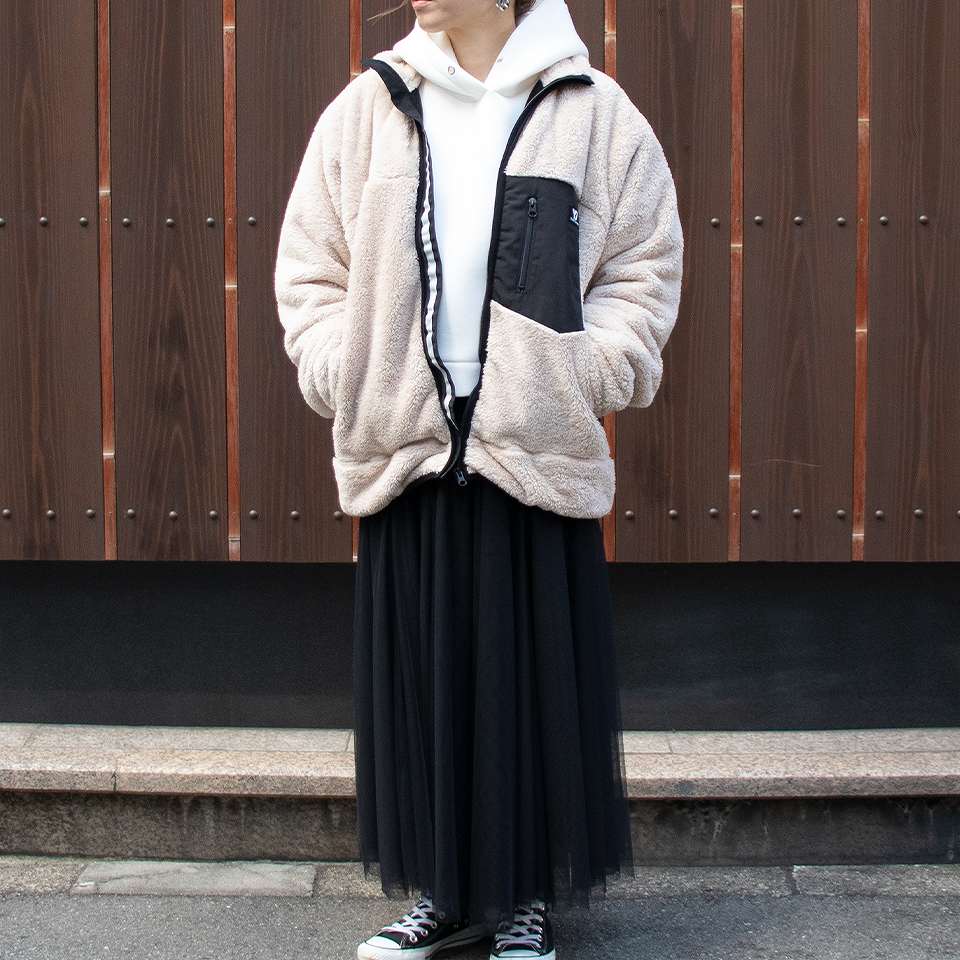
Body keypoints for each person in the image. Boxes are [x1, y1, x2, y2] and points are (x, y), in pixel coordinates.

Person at [274, 0, 684, 956]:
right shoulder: (370, 108)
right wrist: (345, 369)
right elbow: (310, 271)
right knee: (423, 690)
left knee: (533, 690)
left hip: (531, 444)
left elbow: (643, 270)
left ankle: (524, 900)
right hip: (406, 445)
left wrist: (584, 373)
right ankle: (445, 895)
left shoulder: (594, 112)